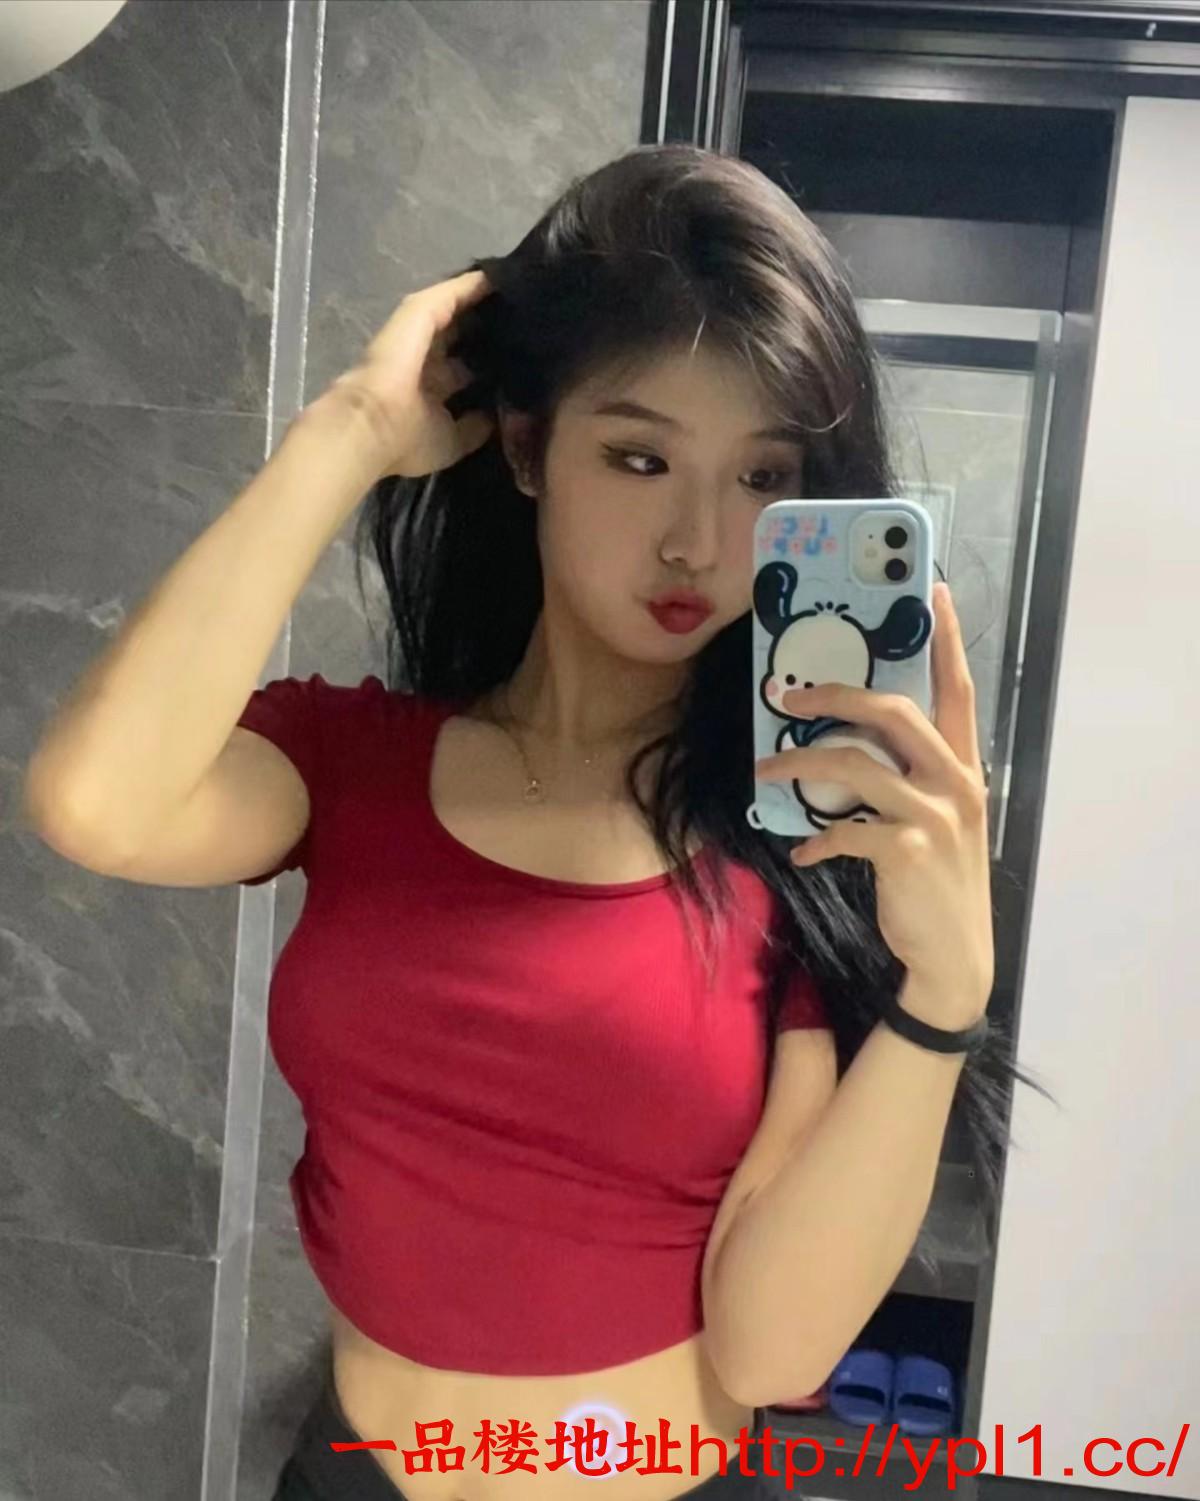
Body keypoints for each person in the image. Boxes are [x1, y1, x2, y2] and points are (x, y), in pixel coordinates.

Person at [24, 143, 1053, 1501]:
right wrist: (353, 429)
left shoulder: (796, 840)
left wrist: (947, 994)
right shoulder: (356, 763)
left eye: (761, 478)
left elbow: (774, 1349)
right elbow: (94, 802)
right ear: (525, 446)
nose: (698, 541)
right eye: (640, 456)